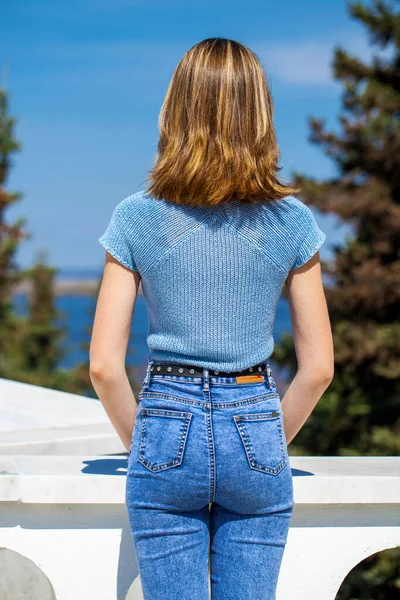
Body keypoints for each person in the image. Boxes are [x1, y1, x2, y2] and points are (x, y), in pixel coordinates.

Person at [90, 37, 334, 600]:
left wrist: (148, 445)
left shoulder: (135, 217)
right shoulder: (292, 222)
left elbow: (105, 365)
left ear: (174, 111)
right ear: (262, 115)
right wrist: (266, 440)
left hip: (165, 421)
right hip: (255, 421)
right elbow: (317, 369)